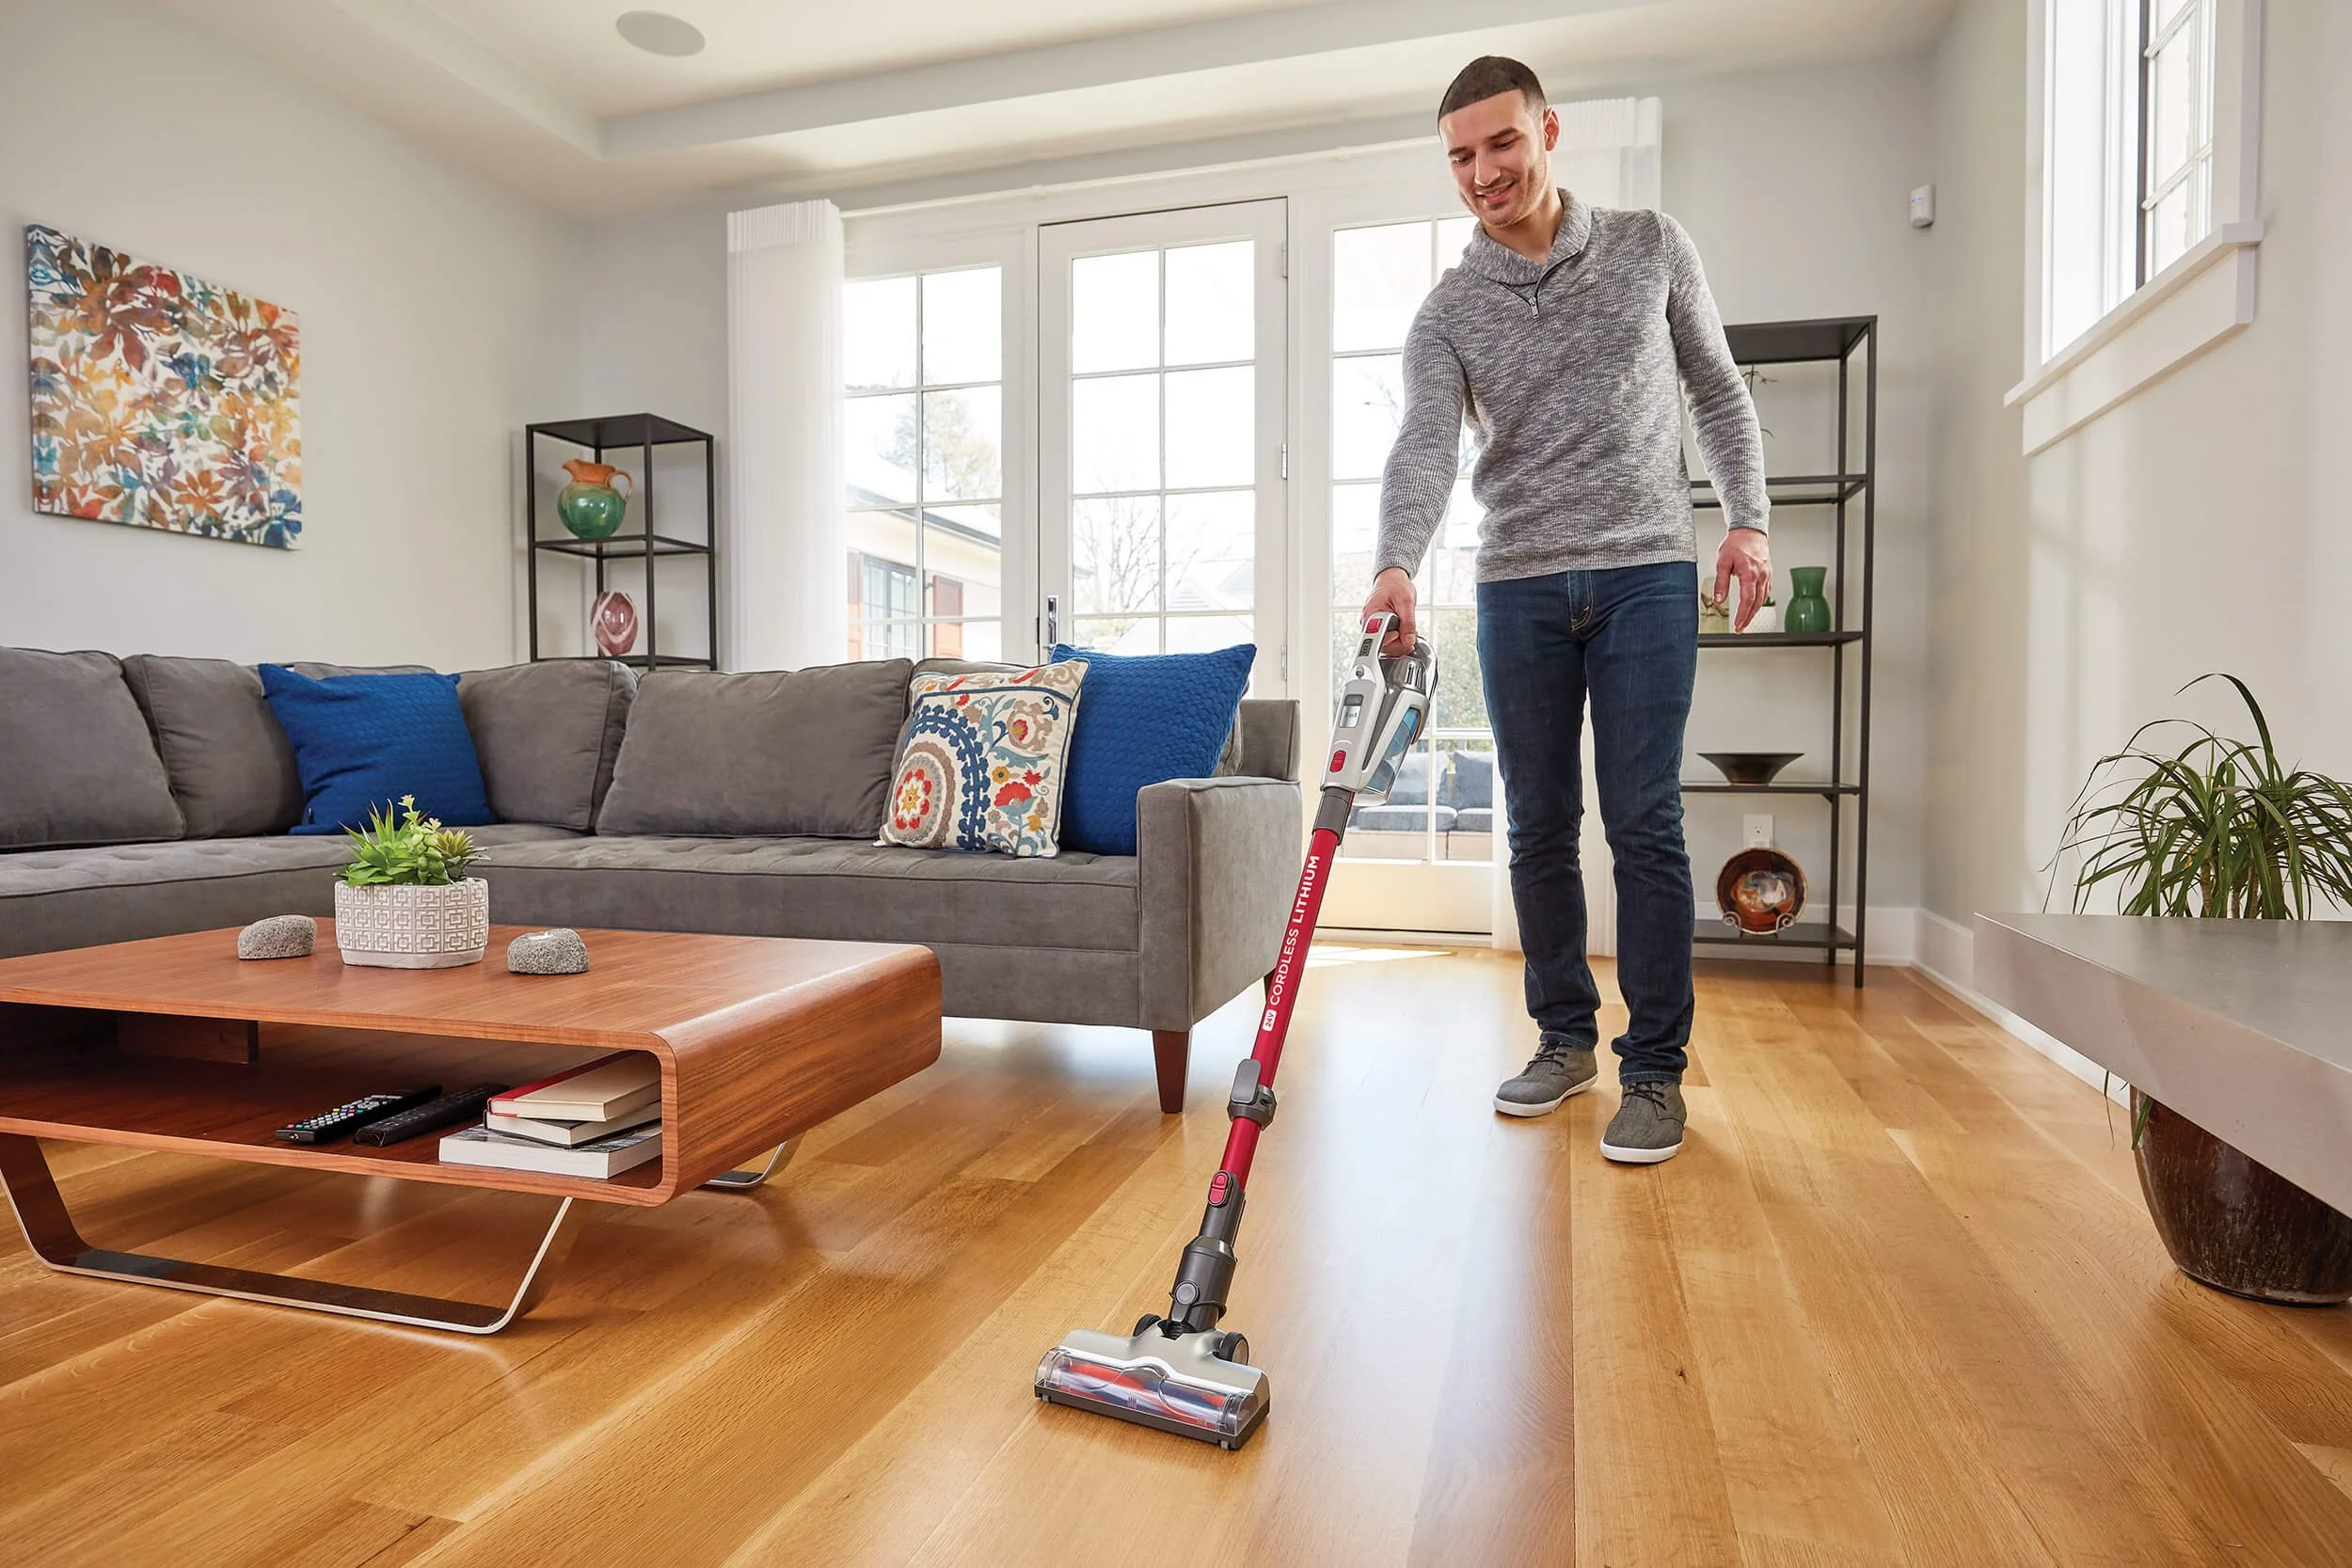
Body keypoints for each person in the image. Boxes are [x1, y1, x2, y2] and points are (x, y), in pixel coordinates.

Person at [1365, 55, 1769, 1164]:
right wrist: (1396, 560)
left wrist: (1748, 520)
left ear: (1548, 131)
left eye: (1501, 143)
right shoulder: (1447, 311)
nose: (1483, 171)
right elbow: (1422, 446)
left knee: (1643, 821)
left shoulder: (1650, 246)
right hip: (1517, 584)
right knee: (1538, 825)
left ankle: (1653, 1071)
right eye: (1460, 155)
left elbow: (1718, 388)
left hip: (1645, 571)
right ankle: (1561, 1038)